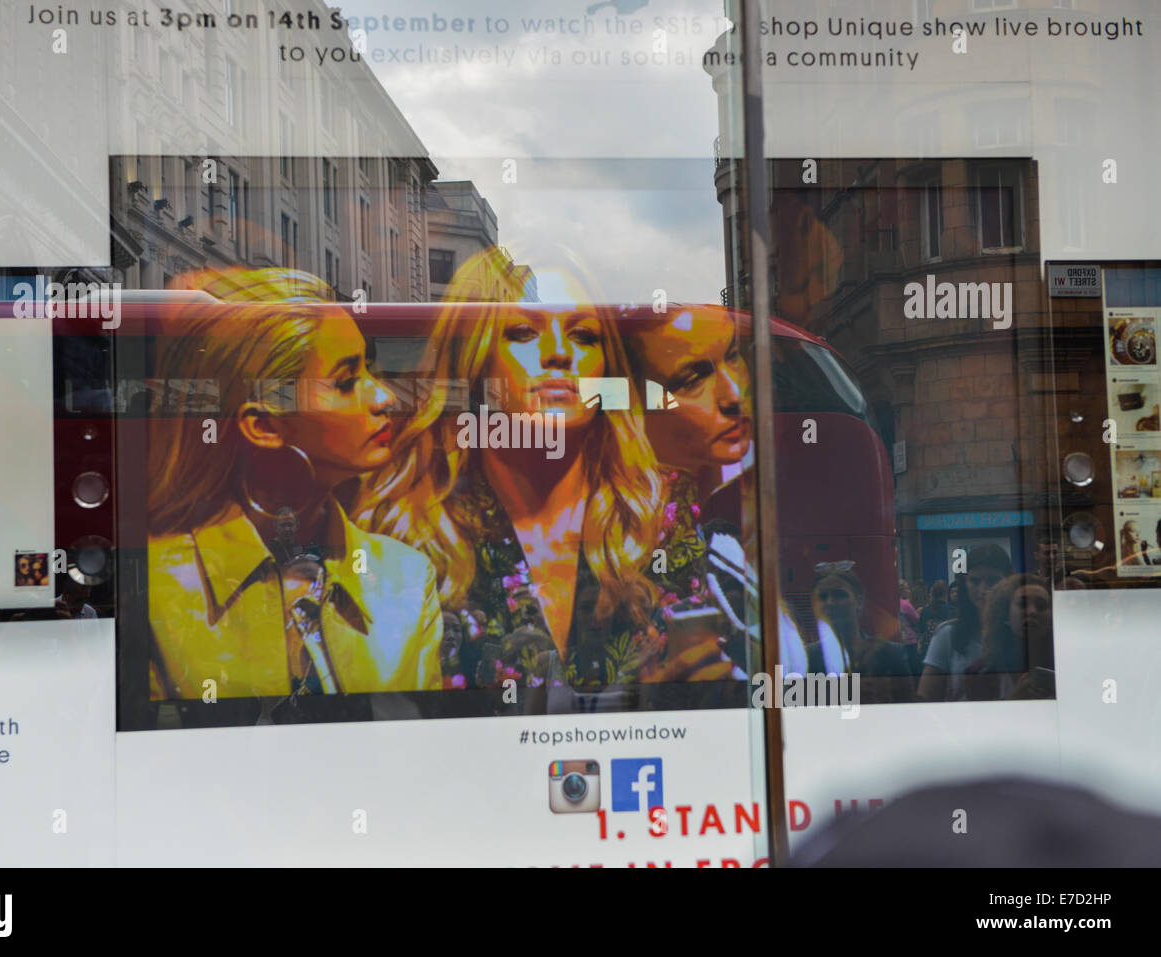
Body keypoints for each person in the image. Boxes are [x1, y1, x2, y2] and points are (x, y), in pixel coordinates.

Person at [358, 259, 722, 691]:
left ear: (606, 368)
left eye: (584, 336)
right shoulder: (406, 525)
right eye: (524, 333)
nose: (558, 353)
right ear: (475, 361)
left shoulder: (657, 507)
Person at [146, 268, 444, 702]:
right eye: (347, 381)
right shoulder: (154, 587)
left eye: (370, 370)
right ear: (264, 425)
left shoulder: (408, 579)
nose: (385, 398)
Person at [620, 302, 809, 677]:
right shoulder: (620, 545)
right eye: (693, 379)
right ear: (640, 404)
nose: (734, 395)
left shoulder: (724, 546)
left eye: (733, 357)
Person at [918, 544, 1013, 701]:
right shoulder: (947, 634)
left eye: (993, 580)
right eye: (975, 581)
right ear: (964, 584)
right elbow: (926, 699)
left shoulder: (1022, 631)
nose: (983, 589)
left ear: (1008, 581)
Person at [806, 564, 915, 701]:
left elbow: (908, 709)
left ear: (859, 601)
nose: (830, 602)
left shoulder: (891, 655)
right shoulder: (806, 659)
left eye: (839, 595)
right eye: (823, 597)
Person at [969, 573, 1055, 700]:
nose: (1032, 611)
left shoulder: (1068, 666)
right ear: (1004, 614)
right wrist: (1014, 698)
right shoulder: (979, 672)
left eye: (1041, 606)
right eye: (1023, 604)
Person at [915, 579, 955, 656]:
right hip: (945, 650)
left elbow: (921, 630)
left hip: (928, 649)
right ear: (946, 593)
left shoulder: (925, 610)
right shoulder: (951, 610)